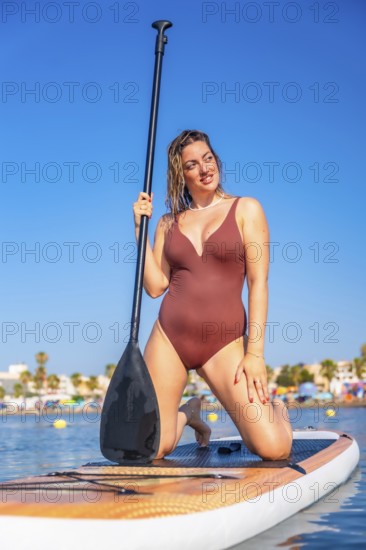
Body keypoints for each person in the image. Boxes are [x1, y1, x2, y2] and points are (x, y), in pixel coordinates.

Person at [133, 130, 293, 460]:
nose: (205, 168)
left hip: (224, 344)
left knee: (274, 449)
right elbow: (154, 287)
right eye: (193, 164)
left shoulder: (246, 209)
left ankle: (278, 409)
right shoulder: (167, 223)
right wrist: (139, 229)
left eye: (208, 158)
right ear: (182, 174)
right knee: (152, 449)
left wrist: (255, 354)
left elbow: (259, 284)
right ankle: (189, 413)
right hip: (170, 339)